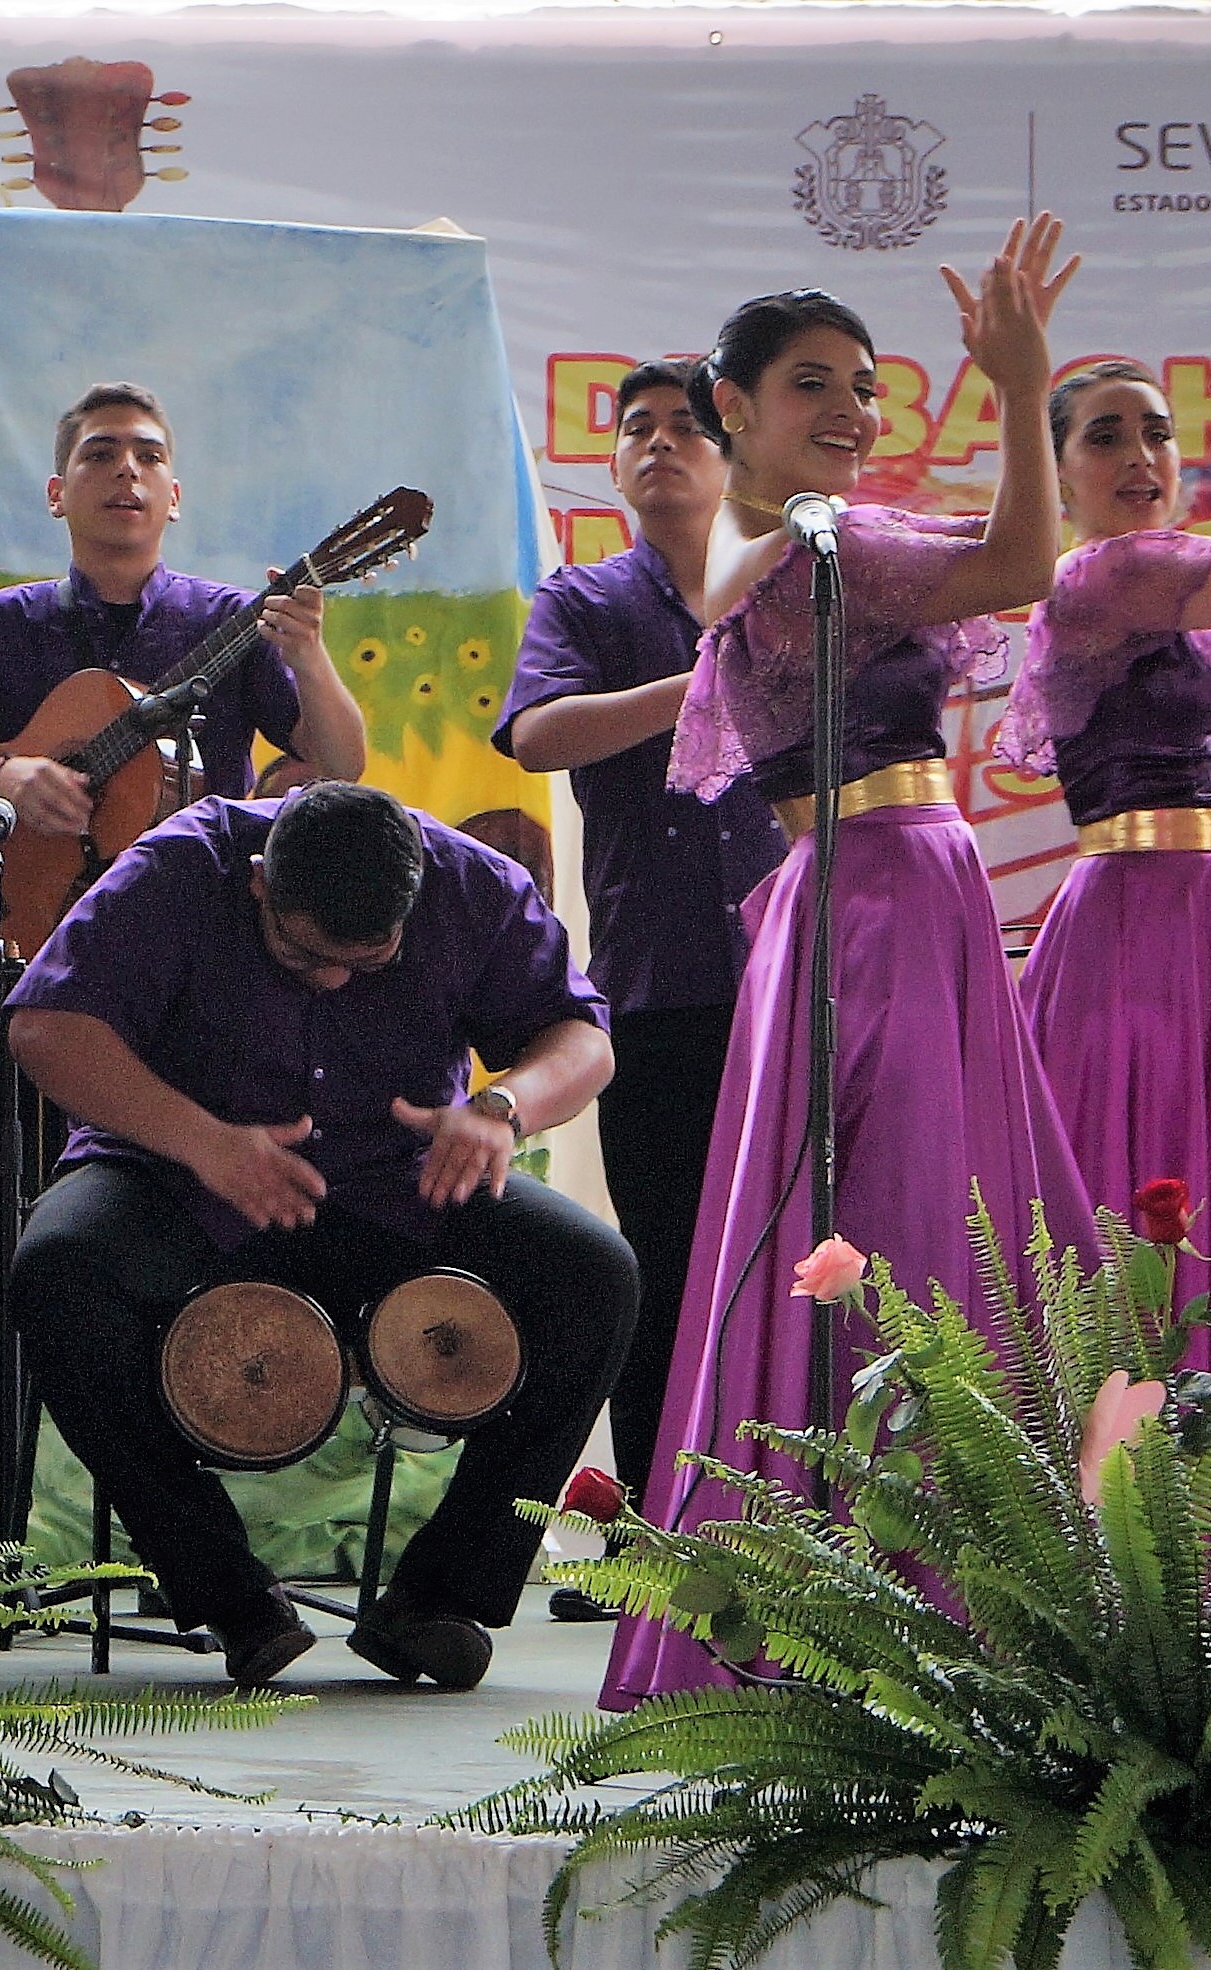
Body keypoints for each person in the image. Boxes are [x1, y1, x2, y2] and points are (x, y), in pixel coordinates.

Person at [605, 220, 1092, 1707]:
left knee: (910, 1203)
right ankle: (890, 1588)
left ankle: (898, 1579)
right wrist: (1021, 385)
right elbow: (1026, 556)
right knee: (893, 1210)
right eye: (815, 383)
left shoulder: (806, 537)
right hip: (869, 892)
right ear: (729, 405)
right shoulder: (801, 540)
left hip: (889, 883)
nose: (854, 413)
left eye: (868, 388)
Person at [0, 381, 367, 1538]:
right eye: (98, 455)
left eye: (146, 456)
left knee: (182, 1253)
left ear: (175, 493)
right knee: (3, 1260)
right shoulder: (4, 628)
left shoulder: (233, 621)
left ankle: (194, 1541)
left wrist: (316, 657)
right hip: (37, 980)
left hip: (198, 989)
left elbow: (335, 768)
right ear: (58, 490)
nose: (124, 473)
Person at [3, 782, 634, 1690]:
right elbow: (47, 1027)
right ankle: (229, 1596)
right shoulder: (183, 864)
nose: (334, 978)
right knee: (58, 1271)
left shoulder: (470, 884)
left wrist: (502, 1108)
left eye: (367, 960)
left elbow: (582, 1038)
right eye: (305, 955)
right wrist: (207, 1144)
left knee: (593, 1275)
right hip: (183, 1180)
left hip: (396, 1187)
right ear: (259, 882)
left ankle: (440, 1596)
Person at [1003, 291, 1211, 1334]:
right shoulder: (1109, 573)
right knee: (1148, 1176)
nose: (1140, 452)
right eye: (1105, 435)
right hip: (1144, 920)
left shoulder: (1168, 581)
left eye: (1157, 429)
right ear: (1058, 473)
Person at [493, 359, 786, 1510]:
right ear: (614, 467)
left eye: (687, 428)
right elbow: (537, 735)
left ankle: (792, 1516)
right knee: (661, 1263)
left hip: (791, 976)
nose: (661, 444)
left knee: (798, 1255)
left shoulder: (782, 588)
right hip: (657, 982)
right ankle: (660, 1525)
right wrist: (701, 682)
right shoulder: (584, 602)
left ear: (732, 455)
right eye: (638, 430)